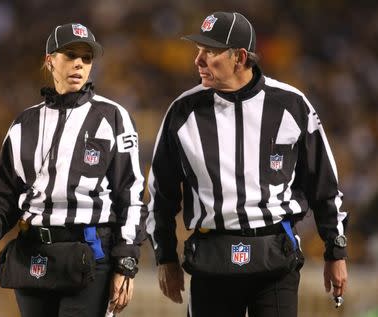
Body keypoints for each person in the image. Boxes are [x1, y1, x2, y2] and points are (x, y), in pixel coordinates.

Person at [146, 11, 348, 317]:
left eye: (209, 52)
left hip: (275, 261)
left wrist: (336, 252)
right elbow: (161, 194)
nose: (198, 60)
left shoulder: (291, 104)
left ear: (240, 57)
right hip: (211, 260)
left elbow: (323, 184)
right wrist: (165, 258)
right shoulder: (182, 111)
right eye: (197, 51)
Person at [0, 22, 146, 317]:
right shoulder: (24, 124)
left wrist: (126, 262)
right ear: (49, 60)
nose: (79, 63)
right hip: (33, 254)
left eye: (86, 58)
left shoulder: (113, 118)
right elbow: (4, 189)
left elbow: (131, 195)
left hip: (90, 253)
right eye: (70, 55)